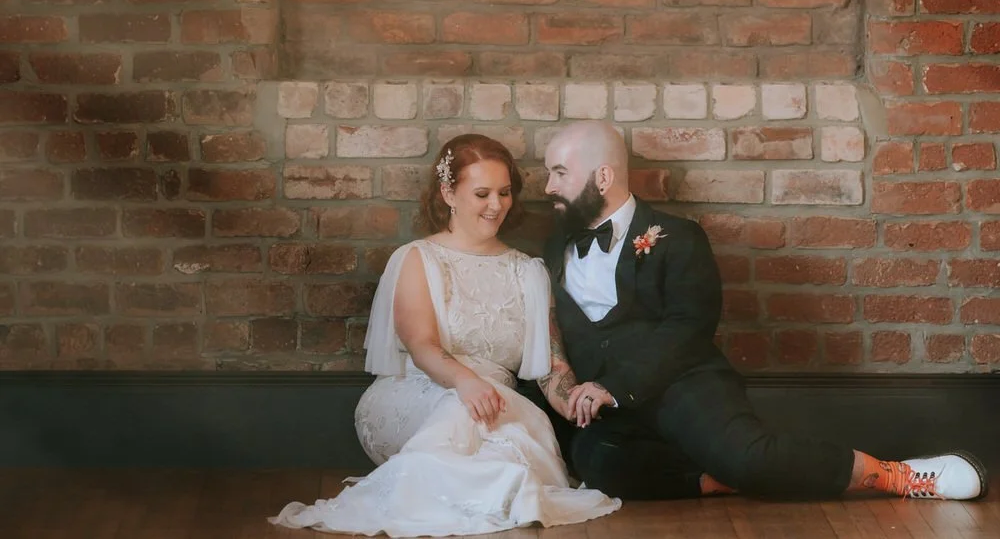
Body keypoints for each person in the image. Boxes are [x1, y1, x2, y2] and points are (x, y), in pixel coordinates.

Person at [536, 120, 987, 504]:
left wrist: (616, 386)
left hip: (681, 384)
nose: (548, 187)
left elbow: (690, 328)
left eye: (559, 173)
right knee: (599, 464)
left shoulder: (679, 237)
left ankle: (893, 475)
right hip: (607, 405)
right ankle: (724, 479)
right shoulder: (556, 244)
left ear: (602, 176)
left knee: (748, 455)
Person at [271, 133, 620, 536]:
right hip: (415, 396)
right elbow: (422, 346)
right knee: (460, 415)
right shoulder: (419, 258)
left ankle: (488, 494)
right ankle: (475, 493)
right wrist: (465, 382)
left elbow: (551, 367)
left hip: (497, 405)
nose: (496, 205)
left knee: (511, 450)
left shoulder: (529, 272)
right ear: (448, 193)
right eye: (483, 193)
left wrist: (579, 401)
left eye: (505, 193)